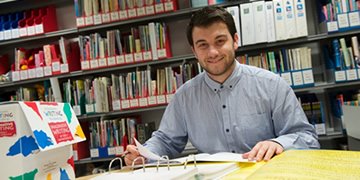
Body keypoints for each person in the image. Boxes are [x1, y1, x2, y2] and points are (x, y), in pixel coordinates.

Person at [125, 6, 319, 165]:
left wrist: (278, 143)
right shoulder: (185, 96)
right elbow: (166, 140)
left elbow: (307, 138)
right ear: (194, 51)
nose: (213, 52)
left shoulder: (271, 85)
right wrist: (145, 154)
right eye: (203, 45)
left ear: (235, 41)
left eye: (220, 41)